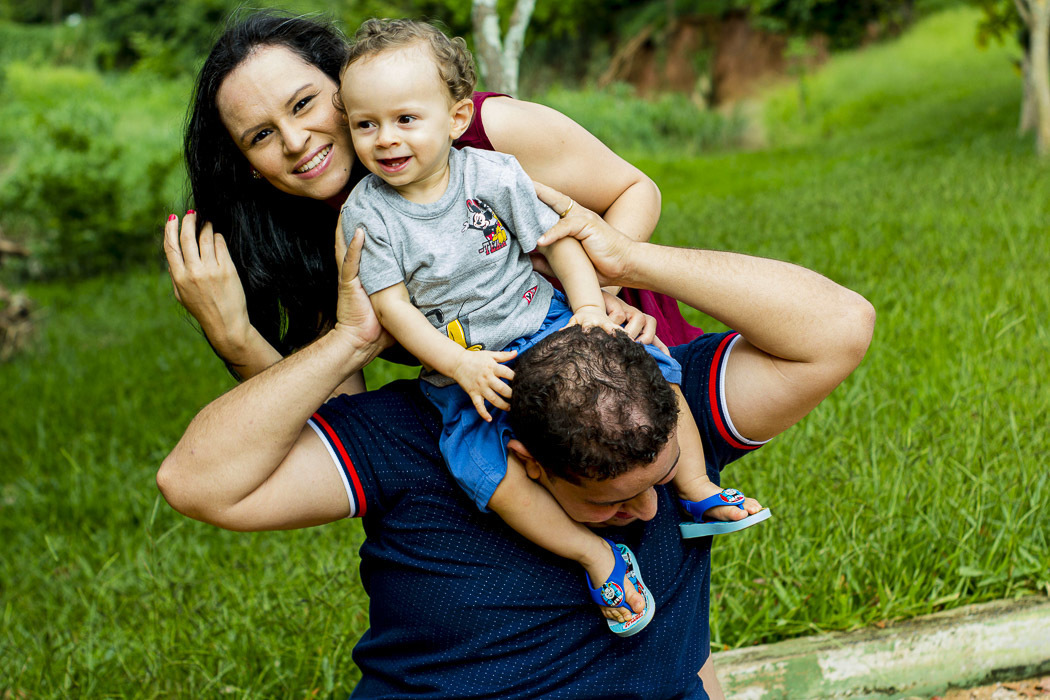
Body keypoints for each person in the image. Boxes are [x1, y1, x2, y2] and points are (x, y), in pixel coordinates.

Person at [157, 185, 875, 698]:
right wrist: (346, 341)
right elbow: (196, 482)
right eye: (614, 502)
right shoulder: (412, 438)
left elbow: (838, 327)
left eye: (660, 482)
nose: (654, 514)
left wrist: (624, 260)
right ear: (525, 462)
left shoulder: (646, 398)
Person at [335, 18, 766, 633]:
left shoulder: (490, 174)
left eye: (406, 119)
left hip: (548, 322)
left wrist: (590, 311)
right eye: (365, 124)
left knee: (649, 373)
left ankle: (696, 488)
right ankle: (596, 556)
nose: (385, 139)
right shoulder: (366, 213)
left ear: (456, 119)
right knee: (483, 469)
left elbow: (560, 239)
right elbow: (395, 308)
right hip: (470, 365)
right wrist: (459, 365)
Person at [163, 10, 701, 395]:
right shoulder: (317, 235)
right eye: (260, 135)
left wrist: (597, 294)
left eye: (304, 104)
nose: (295, 140)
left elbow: (635, 189)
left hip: (627, 346)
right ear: (248, 167)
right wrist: (233, 335)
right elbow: (342, 412)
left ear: (345, 86)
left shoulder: (485, 136)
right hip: (513, 400)